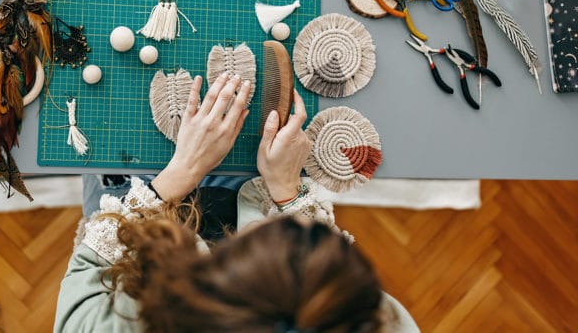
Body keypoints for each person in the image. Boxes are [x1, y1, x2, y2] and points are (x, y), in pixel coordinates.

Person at [54, 73, 418, 332]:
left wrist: (179, 174)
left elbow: (84, 279)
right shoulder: (367, 318)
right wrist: (288, 194)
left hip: (139, 261)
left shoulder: (127, 324)